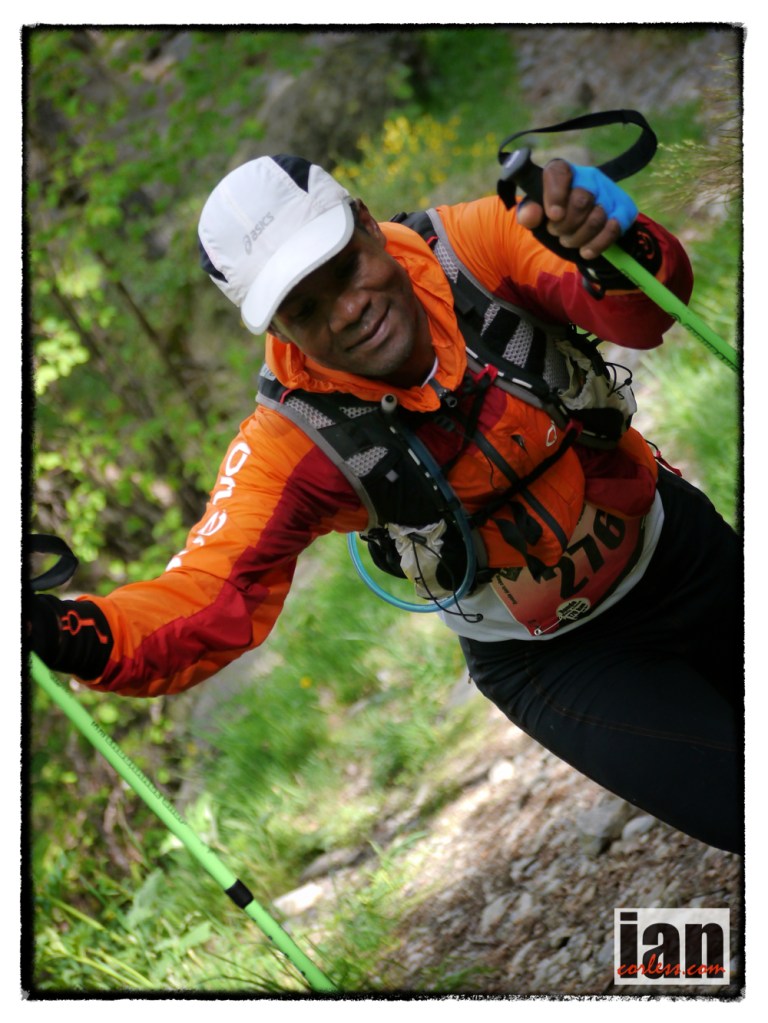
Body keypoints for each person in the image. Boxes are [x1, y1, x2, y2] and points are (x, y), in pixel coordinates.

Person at [29, 151, 743, 855]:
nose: (348, 311)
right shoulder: (293, 441)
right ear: (278, 332)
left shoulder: (481, 247)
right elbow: (207, 598)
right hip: (554, 660)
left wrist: (610, 240)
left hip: (671, 546)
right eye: (305, 310)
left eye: (344, 270)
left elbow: (645, 312)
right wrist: (61, 631)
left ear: (367, 223)